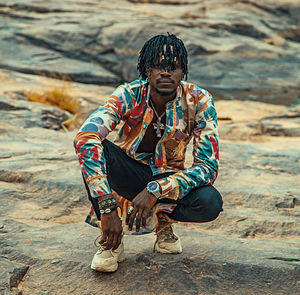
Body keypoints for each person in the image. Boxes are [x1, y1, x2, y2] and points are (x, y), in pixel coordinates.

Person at [74, 33, 223, 272]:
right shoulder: (127, 94)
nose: (165, 73)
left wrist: (157, 189)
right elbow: (85, 137)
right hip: (128, 175)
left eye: (172, 67)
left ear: (183, 71)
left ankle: (163, 219)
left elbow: (208, 167)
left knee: (210, 202)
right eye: (158, 66)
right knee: (95, 149)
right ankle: (111, 238)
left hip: (168, 178)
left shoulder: (199, 100)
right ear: (146, 70)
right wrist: (106, 208)